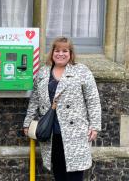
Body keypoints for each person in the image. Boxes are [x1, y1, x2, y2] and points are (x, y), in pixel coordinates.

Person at [23, 36, 101, 181]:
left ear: (71, 53)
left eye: (65, 50)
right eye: (57, 50)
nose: (60, 54)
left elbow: (93, 100)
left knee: (74, 174)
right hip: (51, 132)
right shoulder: (43, 72)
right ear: (52, 52)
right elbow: (34, 100)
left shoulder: (81, 71)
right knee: (59, 173)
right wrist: (27, 123)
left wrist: (95, 126)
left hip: (75, 133)